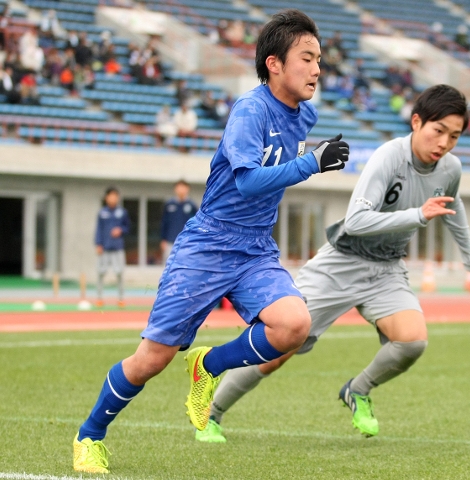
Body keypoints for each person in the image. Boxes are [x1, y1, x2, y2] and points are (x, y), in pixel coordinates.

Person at [73, 9, 349, 474]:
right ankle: (90, 435)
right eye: (307, 57)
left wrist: (309, 155)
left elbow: (281, 155)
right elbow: (245, 181)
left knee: (293, 327)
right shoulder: (249, 109)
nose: (318, 68)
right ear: (274, 64)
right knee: (151, 360)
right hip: (208, 244)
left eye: (320, 58)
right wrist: (310, 163)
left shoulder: (307, 115)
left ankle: (209, 365)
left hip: (256, 247)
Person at [194, 84, 470, 444]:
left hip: (387, 269)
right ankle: (211, 414)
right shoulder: (388, 157)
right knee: (278, 350)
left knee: (412, 341)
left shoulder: (450, 168)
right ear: (416, 122)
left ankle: (358, 390)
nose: (444, 143)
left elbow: (452, 206)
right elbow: (355, 221)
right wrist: (417, 215)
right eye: (438, 131)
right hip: (341, 263)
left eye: (454, 136)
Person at [94, 187, 130, 310]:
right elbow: (98, 229)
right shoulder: (102, 212)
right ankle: (99, 298)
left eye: (115, 196)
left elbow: (128, 227)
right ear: (106, 197)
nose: (113, 198)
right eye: (111, 196)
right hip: (104, 248)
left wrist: (121, 230)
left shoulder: (122, 212)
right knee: (100, 272)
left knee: (119, 272)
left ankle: (121, 299)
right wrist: (98, 244)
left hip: (117, 248)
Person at [160, 180, 198, 263]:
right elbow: (164, 223)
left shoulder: (192, 205)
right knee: (169, 264)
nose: (181, 189)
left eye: (183, 187)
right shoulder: (169, 204)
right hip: (170, 241)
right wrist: (163, 239)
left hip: (186, 241)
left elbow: (196, 224)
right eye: (179, 187)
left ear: (187, 189)